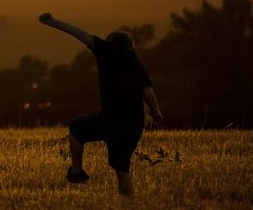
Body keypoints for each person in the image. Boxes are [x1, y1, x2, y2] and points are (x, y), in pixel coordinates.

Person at [38, 12, 162, 196]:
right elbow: (148, 92)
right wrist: (157, 112)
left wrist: (52, 22)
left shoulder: (106, 51)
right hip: (133, 124)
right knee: (121, 168)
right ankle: (129, 202)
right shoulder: (135, 63)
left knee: (76, 129)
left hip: (110, 119)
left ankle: (77, 171)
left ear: (110, 43)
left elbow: (79, 33)